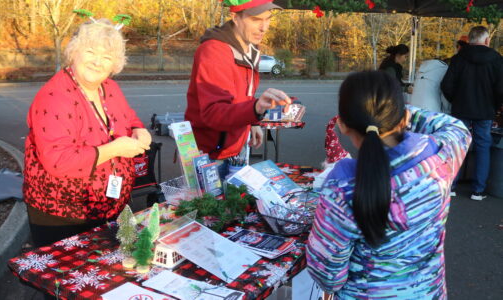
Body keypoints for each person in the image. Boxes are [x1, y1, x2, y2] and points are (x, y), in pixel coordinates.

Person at [306, 71, 471, 299]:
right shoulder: (442, 155)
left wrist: (371, 115)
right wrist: (395, 113)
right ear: (403, 118)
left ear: (342, 125)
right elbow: (455, 126)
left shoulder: (341, 189)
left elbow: (327, 275)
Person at [23, 19, 151, 248]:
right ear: (74, 52)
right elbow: (58, 161)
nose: (98, 62)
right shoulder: (54, 97)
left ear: (115, 64)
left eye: (107, 56)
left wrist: (140, 130)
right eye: (90, 51)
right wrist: (115, 149)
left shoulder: (109, 87)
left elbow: (129, 117)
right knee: (68, 278)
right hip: (65, 216)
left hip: (108, 207)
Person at [185, 0, 291, 178]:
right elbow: (213, 113)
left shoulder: (249, 48)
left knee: (239, 202)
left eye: (268, 19)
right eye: (256, 19)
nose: (264, 27)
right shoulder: (213, 51)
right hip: (211, 154)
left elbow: (242, 96)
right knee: (214, 205)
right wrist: (255, 109)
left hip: (238, 145)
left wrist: (252, 122)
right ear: (235, 17)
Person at [441, 25, 503, 200]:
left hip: (461, 109)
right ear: (487, 40)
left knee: (457, 147)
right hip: (485, 111)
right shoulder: (498, 59)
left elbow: (446, 85)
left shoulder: (458, 58)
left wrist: (456, 101)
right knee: (483, 147)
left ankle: (451, 186)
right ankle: (478, 190)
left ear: (470, 40)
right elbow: (501, 89)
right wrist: (495, 105)